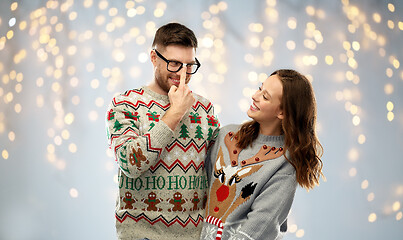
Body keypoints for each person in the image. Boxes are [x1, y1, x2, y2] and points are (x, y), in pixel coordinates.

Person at [106, 22, 220, 240]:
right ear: (154, 57)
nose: (183, 73)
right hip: (142, 235)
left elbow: (216, 171)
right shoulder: (125, 104)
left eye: (189, 65)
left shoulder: (204, 108)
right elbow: (131, 163)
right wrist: (175, 113)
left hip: (195, 235)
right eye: (175, 63)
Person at [200, 69, 324, 240]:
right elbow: (199, 192)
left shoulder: (284, 165)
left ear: (282, 112)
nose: (254, 96)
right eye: (260, 88)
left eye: (265, 97)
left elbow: (259, 226)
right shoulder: (225, 135)